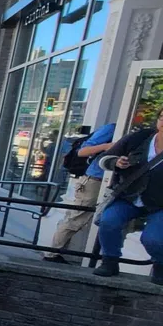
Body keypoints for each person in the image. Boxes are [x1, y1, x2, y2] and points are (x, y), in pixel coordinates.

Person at [93, 110, 163, 284]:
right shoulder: (139, 138)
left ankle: (160, 265)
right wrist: (115, 162)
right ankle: (110, 261)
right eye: (162, 117)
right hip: (129, 197)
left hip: (160, 204)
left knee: (153, 239)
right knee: (109, 221)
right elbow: (102, 159)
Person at [43, 123, 116, 264]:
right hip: (95, 180)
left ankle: (56, 252)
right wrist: (107, 147)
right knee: (76, 218)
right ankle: (51, 254)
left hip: (112, 182)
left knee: (104, 220)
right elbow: (82, 151)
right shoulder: (112, 128)